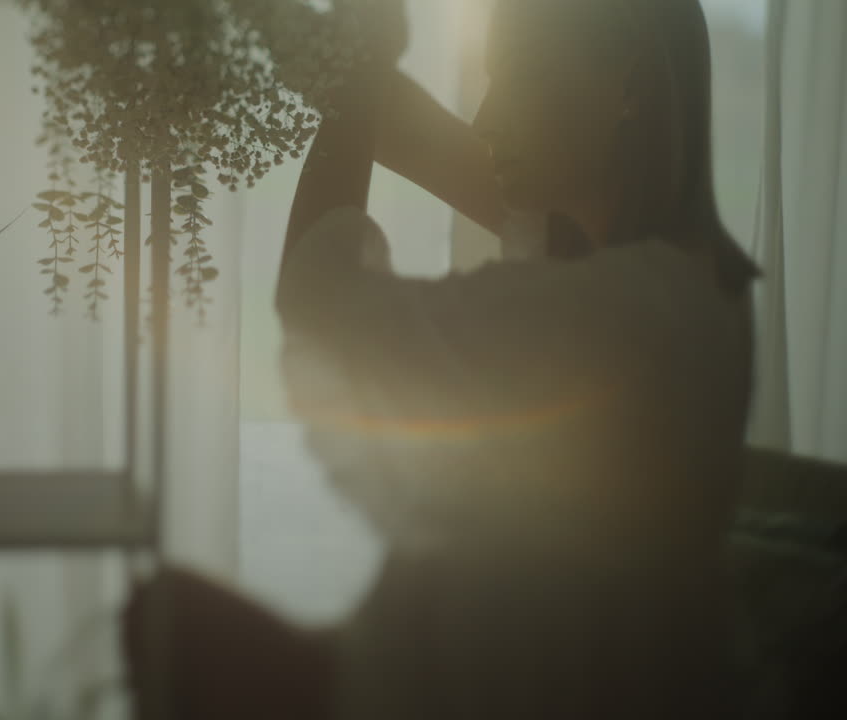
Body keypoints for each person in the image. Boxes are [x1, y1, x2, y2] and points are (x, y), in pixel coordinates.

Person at [123, 0, 759, 718]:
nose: (486, 120)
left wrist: (359, 69)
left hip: (498, 689)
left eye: (515, 78)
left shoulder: (633, 310)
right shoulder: (664, 272)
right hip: (492, 664)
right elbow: (398, 122)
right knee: (172, 620)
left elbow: (322, 298)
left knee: (167, 621)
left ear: (627, 87)